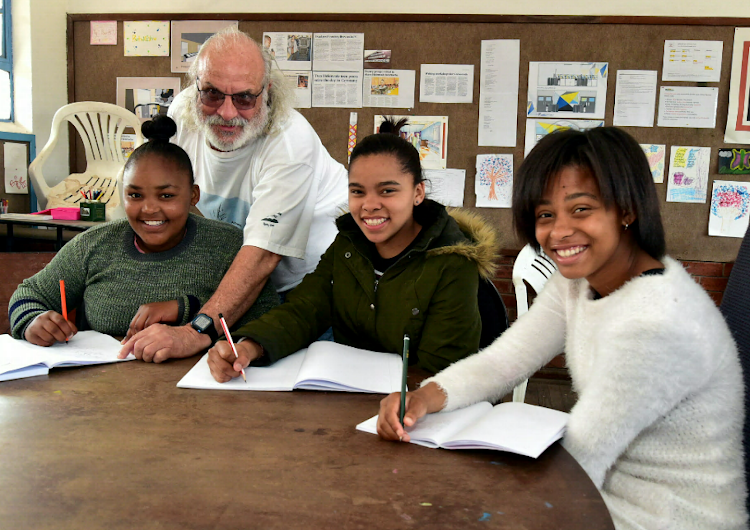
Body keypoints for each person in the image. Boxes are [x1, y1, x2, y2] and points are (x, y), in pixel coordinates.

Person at [377, 127, 748, 530]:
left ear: (627, 209)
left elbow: (581, 461)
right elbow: (505, 361)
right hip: (606, 495)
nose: (559, 231)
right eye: (545, 214)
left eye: (582, 209)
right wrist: (424, 397)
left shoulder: (657, 322)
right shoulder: (579, 281)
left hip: (666, 518)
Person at [206, 118, 500, 381]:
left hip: (417, 410)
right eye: (357, 191)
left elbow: (442, 371)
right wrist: (249, 347)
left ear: (417, 193)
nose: (369, 205)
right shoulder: (347, 245)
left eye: (387, 191)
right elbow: (306, 309)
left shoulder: (452, 262)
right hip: (347, 401)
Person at [119, 26, 347, 361]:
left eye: (243, 98)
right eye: (212, 94)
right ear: (196, 87)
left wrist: (196, 331)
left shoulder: (291, 140)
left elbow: (263, 257)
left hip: (306, 292)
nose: (226, 112)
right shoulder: (183, 113)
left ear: (266, 92)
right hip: (236, 286)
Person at [9, 116, 278, 360]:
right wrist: (32, 321)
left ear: (193, 195)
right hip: (100, 393)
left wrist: (187, 310)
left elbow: (269, 319)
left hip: (204, 394)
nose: (149, 209)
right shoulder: (94, 244)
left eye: (166, 195)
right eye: (135, 195)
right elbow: (30, 294)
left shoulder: (228, 246)